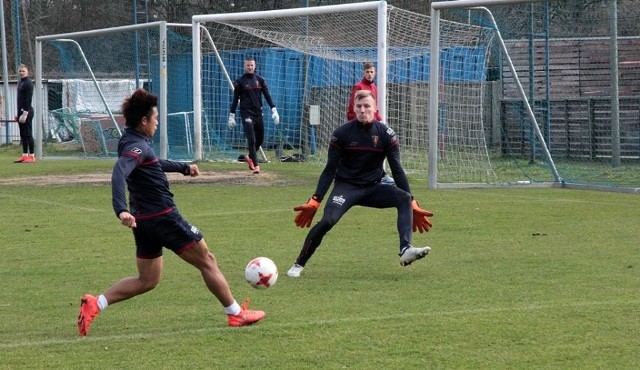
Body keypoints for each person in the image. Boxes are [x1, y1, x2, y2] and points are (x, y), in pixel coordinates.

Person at [77, 89, 265, 336]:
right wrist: (120, 209)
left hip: (144, 223)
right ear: (143, 120)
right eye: (154, 118)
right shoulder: (136, 146)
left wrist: (184, 168)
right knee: (207, 260)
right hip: (163, 217)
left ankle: (96, 303)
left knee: (148, 280)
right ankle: (235, 313)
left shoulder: (133, 142)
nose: (157, 122)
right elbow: (119, 173)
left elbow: (154, 163)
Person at [286, 90, 434, 278]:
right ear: (353, 109)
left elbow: (397, 170)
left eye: (367, 106)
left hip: (374, 187)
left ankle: (405, 249)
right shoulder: (341, 134)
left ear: (375, 109)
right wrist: (315, 200)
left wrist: (413, 202)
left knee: (404, 197)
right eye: (359, 106)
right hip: (346, 187)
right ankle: (299, 263)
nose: (363, 110)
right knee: (328, 221)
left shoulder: (386, 134)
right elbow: (329, 170)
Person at [228, 56, 279, 174]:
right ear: (244, 66)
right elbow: (235, 99)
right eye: (248, 65)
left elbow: (267, 95)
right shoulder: (240, 82)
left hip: (258, 114)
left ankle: (250, 157)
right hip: (246, 114)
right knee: (251, 140)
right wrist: (232, 115)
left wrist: (274, 110)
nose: (250, 67)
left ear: (255, 66)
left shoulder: (260, 80)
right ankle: (256, 166)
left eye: (252, 65)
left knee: (260, 139)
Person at [347, 62, 394, 185]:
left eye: (372, 72)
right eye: (367, 72)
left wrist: (379, 119)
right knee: (362, 151)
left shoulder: (374, 87)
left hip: (372, 125)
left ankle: (380, 174)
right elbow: (352, 108)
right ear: (364, 72)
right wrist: (355, 122)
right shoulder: (359, 87)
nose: (369, 74)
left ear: (375, 73)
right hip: (360, 125)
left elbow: (374, 108)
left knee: (378, 148)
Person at [14, 64, 35, 163]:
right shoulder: (20, 82)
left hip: (27, 111)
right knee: (22, 135)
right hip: (20, 111)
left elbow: (28, 99)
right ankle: (24, 155)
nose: (21, 73)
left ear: (27, 72)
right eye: (20, 71)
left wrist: (25, 113)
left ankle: (32, 156)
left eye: (23, 71)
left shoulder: (28, 83)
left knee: (28, 134)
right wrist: (18, 113)